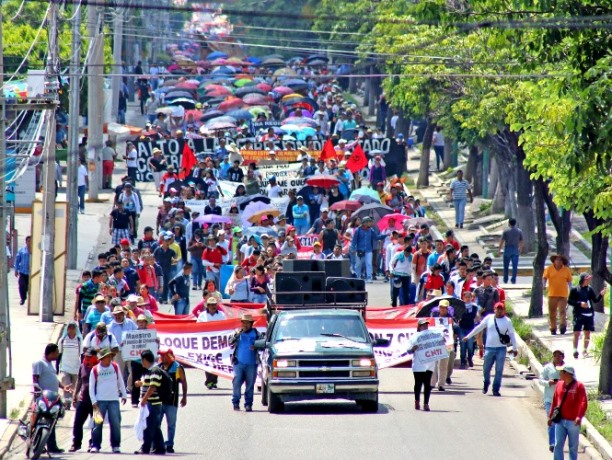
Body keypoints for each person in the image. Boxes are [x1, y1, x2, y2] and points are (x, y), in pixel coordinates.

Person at [463, 303, 518, 396]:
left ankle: (495, 389)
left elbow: (512, 334)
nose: (499, 311)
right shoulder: (489, 318)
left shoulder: (507, 321)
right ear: (494, 309)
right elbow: (479, 328)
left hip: (501, 348)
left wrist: (515, 348)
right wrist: (468, 337)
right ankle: (486, 382)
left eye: (501, 309)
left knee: (499, 370)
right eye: (497, 309)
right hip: (489, 348)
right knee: (486, 369)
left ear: (504, 310)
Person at [31, 343, 70, 454]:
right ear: (51, 353)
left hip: (52, 399)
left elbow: (53, 379)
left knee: (52, 421)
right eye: (57, 353)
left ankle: (51, 446)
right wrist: (37, 394)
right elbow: (35, 379)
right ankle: (36, 442)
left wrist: (63, 387)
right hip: (43, 399)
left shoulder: (50, 364)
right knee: (38, 420)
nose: (57, 355)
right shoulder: (40, 362)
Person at [88, 348, 127, 453]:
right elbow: (91, 387)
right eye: (107, 357)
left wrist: (124, 394)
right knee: (97, 424)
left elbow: (120, 381)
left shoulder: (115, 366)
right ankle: (95, 445)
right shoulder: (95, 369)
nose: (109, 358)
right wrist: (93, 401)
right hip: (99, 400)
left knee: (115, 423)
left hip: (113, 399)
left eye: (110, 356)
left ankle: (116, 445)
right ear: (102, 358)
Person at [548, 365, 588, 460]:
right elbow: (554, 401)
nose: (559, 373)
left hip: (573, 422)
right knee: (558, 444)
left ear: (567, 373)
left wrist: (579, 416)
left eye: (561, 371)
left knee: (573, 447)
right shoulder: (559, 384)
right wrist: (550, 417)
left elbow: (583, 402)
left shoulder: (579, 386)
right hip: (560, 420)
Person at [230, 313, 263, 411]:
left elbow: (263, 344)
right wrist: (238, 334)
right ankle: (235, 402)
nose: (245, 325)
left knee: (250, 385)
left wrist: (256, 346)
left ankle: (248, 404)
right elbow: (230, 342)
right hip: (239, 363)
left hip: (252, 364)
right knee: (236, 383)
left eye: (247, 323)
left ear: (252, 324)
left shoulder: (256, 333)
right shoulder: (237, 332)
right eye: (244, 323)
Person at [135, 349, 166, 455]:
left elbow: (153, 386)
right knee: (155, 426)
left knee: (148, 426)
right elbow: (149, 383)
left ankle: (145, 448)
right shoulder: (150, 370)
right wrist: (141, 383)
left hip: (153, 403)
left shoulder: (154, 370)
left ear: (145, 359)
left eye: (142, 360)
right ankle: (160, 447)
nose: (141, 362)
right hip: (152, 403)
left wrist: (144, 399)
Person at [568, 272, 605, 359]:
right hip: (578, 314)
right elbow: (570, 301)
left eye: (589, 279)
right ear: (583, 279)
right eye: (587, 279)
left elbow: (595, 300)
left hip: (589, 314)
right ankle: (574, 350)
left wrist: (601, 295)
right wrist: (580, 304)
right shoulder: (575, 290)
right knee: (576, 332)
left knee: (587, 333)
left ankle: (585, 350)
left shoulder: (589, 289)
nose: (588, 280)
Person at [158, 348, 187, 454]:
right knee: (156, 424)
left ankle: (169, 444)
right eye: (160, 355)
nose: (161, 357)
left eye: (164, 355)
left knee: (171, 425)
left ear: (170, 356)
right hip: (159, 402)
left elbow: (183, 382)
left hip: (172, 402)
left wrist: (184, 397)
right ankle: (158, 443)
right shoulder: (159, 367)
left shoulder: (177, 368)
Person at [69, 349, 98, 452]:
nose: (87, 358)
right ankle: (76, 444)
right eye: (86, 356)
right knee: (77, 422)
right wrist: (74, 395)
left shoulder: (99, 367)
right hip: (83, 399)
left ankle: (93, 443)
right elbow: (79, 381)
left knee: (95, 423)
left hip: (95, 401)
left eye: (90, 357)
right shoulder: (82, 366)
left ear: (95, 357)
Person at [196, 298, 227, 389]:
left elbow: (225, 326)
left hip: (217, 342)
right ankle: (209, 381)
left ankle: (214, 380)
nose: (213, 307)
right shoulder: (202, 315)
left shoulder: (221, 315)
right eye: (211, 305)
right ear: (207, 306)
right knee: (208, 361)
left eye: (214, 305)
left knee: (216, 361)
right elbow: (197, 327)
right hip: (206, 342)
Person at [407, 319, 435, 411]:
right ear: (419, 327)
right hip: (418, 364)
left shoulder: (432, 335)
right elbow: (408, 350)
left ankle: (426, 403)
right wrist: (413, 349)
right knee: (418, 383)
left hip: (429, 363)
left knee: (427, 384)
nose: (425, 327)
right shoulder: (414, 337)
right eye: (423, 325)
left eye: (426, 325)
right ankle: (417, 401)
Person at [540, 350, 565, 452]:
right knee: (552, 420)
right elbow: (540, 379)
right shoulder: (547, 368)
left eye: (559, 355)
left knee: (561, 423)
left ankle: (559, 441)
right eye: (555, 355)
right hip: (549, 399)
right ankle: (552, 443)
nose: (557, 357)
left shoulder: (567, 368)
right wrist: (548, 382)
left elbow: (573, 380)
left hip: (562, 400)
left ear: (563, 357)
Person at [543, 254, 573, 336]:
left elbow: (569, 281)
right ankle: (553, 328)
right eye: (557, 260)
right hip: (552, 294)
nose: (558, 261)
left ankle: (563, 327)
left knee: (562, 311)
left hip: (563, 295)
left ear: (562, 262)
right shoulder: (549, 269)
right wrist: (544, 285)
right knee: (552, 312)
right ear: (554, 261)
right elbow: (544, 277)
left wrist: (571, 290)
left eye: (560, 260)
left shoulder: (566, 270)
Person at [58, 321, 83, 407]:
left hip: (76, 367)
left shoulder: (79, 340)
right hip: (65, 367)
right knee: (66, 384)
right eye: (70, 327)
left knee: (75, 387)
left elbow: (81, 354)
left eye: (73, 328)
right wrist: (57, 366)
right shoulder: (62, 340)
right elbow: (59, 353)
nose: (71, 330)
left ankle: (74, 401)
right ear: (67, 329)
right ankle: (67, 403)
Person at [498, 218, 523, 284]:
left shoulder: (506, 231)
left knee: (506, 266)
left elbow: (502, 241)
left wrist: (499, 249)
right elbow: (521, 241)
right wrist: (520, 249)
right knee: (515, 266)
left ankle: (505, 279)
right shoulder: (519, 231)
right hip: (515, 249)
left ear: (509, 223)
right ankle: (513, 279)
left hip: (507, 249)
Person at [14, 235, 31, 305]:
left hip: (31, 273)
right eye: (28, 241)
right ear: (26, 242)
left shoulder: (34, 251)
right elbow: (17, 260)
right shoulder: (22, 250)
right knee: (21, 285)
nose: (29, 242)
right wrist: (16, 270)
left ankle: (29, 298)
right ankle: (22, 298)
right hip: (23, 272)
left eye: (31, 241)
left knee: (27, 286)